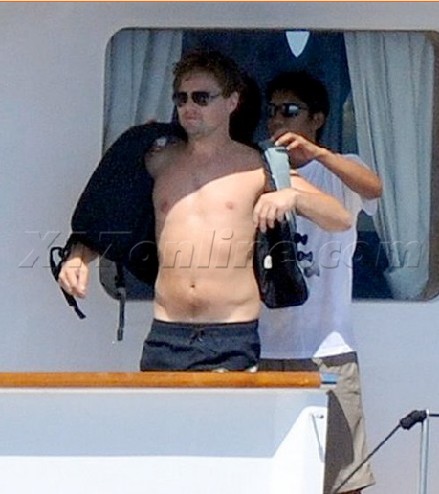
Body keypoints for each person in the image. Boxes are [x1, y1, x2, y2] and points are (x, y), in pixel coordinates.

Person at [58, 50, 351, 372]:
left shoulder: (258, 167)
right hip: (166, 333)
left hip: (231, 335)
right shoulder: (157, 161)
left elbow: (339, 218)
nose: (189, 107)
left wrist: (292, 198)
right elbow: (113, 212)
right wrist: (79, 256)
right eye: (181, 98)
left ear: (231, 102)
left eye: (201, 98)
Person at [258, 70, 383, 494]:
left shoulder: (342, 168)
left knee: (343, 475)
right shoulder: (254, 170)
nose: (278, 119)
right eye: (272, 110)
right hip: (264, 346)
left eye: (290, 110)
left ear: (317, 118)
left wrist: (317, 154)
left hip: (328, 347)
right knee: (271, 474)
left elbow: (374, 189)